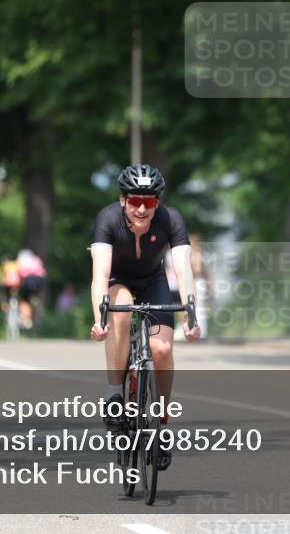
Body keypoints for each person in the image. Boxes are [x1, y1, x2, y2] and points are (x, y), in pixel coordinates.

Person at [89, 164, 201, 471]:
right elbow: (99, 274)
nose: (142, 208)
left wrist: (191, 315)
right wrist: (100, 317)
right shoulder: (108, 219)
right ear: (122, 199)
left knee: (162, 350)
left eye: (149, 202)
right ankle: (114, 395)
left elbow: (183, 270)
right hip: (119, 280)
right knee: (121, 310)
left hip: (154, 282)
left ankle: (162, 426)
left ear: (158, 203)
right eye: (135, 200)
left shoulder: (171, 220)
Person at [16, 248, 47, 328]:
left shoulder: (21, 261)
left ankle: (26, 318)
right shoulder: (36, 259)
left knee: (23, 299)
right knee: (36, 296)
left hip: (29, 279)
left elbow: (20, 274)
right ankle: (37, 307)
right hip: (40, 280)